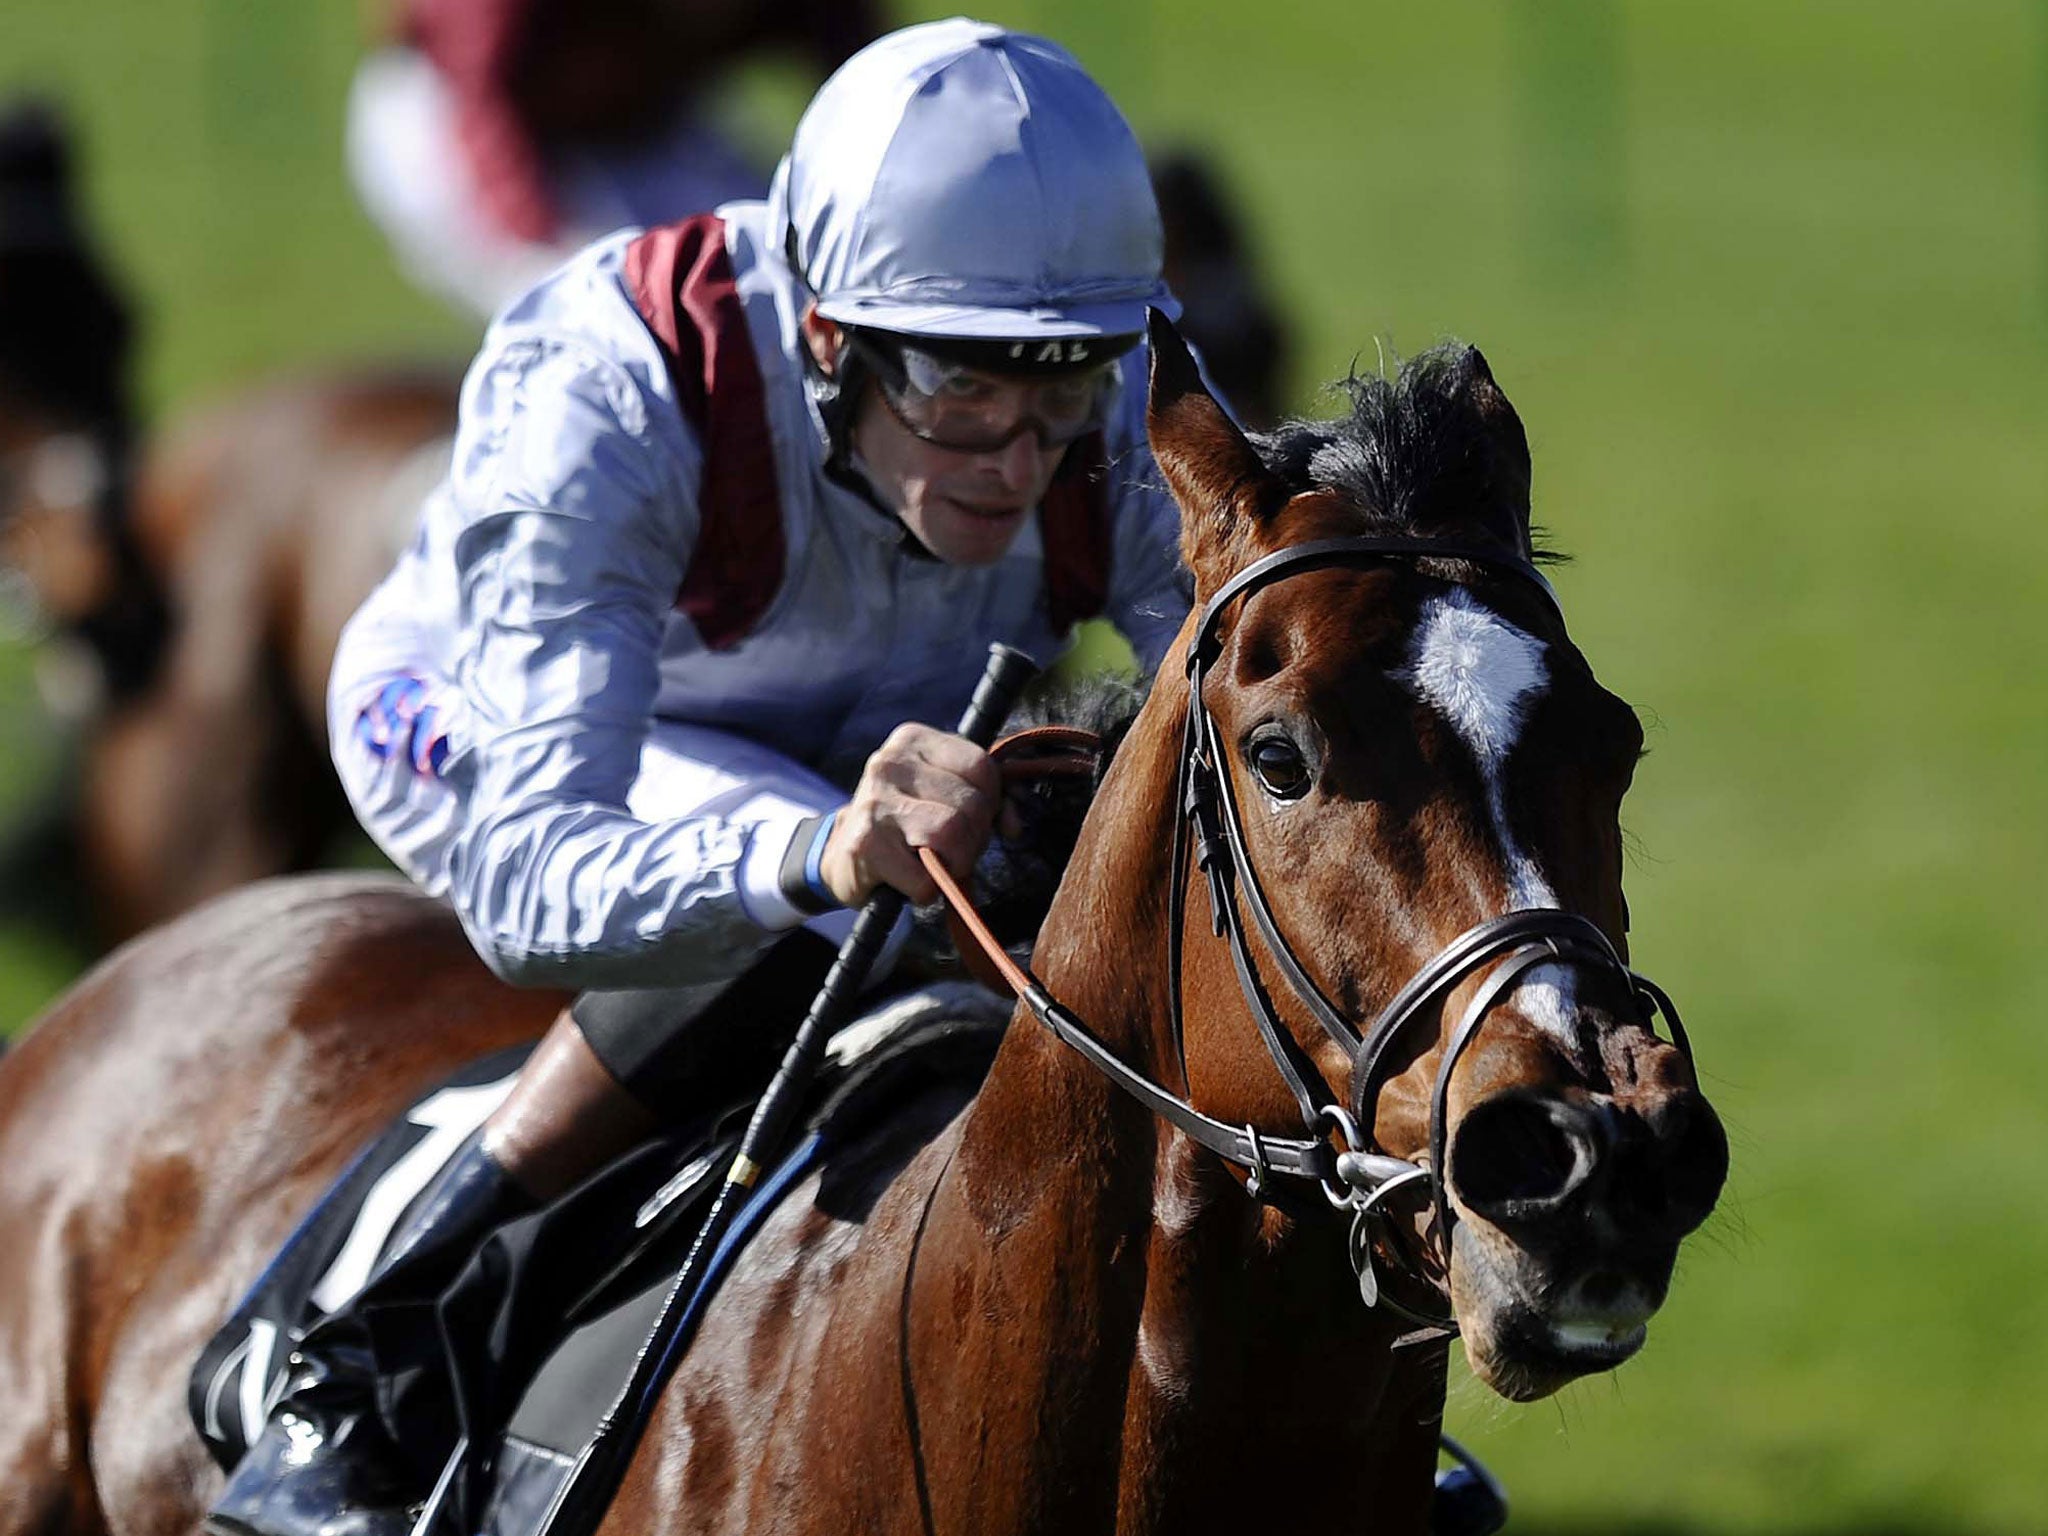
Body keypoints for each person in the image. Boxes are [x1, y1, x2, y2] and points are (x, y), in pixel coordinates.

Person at [209, 20, 1195, 1536]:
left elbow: (1250, 683)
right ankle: (371, 1339)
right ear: (824, 335)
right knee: (818, 884)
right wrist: (818, 860)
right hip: (498, 731)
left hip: (870, 749)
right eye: (961, 395)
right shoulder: (609, 387)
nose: (1018, 454)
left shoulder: (1103, 374)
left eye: (1063, 390)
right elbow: (535, 890)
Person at [347, 0, 880, 320]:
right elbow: (483, 95)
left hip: (644, 119)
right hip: (450, 113)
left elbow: (859, 67)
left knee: (790, 262)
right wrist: (543, 245)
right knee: (597, 309)